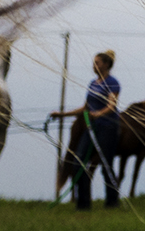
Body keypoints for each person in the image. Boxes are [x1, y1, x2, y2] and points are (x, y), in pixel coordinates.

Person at [51, 50, 122, 210]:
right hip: (91, 127)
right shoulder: (93, 83)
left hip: (108, 127)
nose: (94, 66)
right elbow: (85, 107)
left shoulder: (112, 83)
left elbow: (112, 106)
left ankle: (112, 202)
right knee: (78, 163)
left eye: (97, 63)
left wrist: (98, 114)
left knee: (106, 164)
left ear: (106, 65)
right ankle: (83, 203)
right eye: (94, 63)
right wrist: (62, 114)